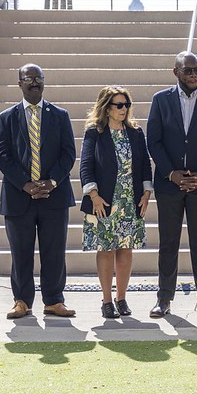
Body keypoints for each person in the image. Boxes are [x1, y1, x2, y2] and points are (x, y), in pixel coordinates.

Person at [146, 51, 197, 318]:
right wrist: (171, 174)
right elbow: (154, 141)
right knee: (168, 243)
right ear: (176, 72)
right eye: (188, 71)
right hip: (170, 185)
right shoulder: (161, 100)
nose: (193, 75)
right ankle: (164, 299)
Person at [0, 64, 76, 319]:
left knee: (54, 251)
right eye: (28, 79)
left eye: (38, 78)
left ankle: (54, 301)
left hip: (54, 195)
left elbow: (68, 153)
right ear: (19, 84)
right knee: (20, 253)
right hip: (19, 197)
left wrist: (51, 181)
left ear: (44, 82)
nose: (34, 82)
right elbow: (2, 155)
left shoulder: (60, 115)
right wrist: (25, 184)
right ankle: (21, 301)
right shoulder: (6, 117)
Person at [80, 86, 153, 319]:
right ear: (107, 108)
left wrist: (146, 193)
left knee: (126, 248)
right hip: (104, 201)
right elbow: (86, 166)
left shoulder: (135, 132)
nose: (124, 109)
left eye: (126, 105)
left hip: (130, 200)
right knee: (106, 249)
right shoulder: (95, 132)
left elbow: (144, 165)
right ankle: (107, 300)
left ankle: (122, 298)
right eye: (119, 105)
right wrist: (94, 196)